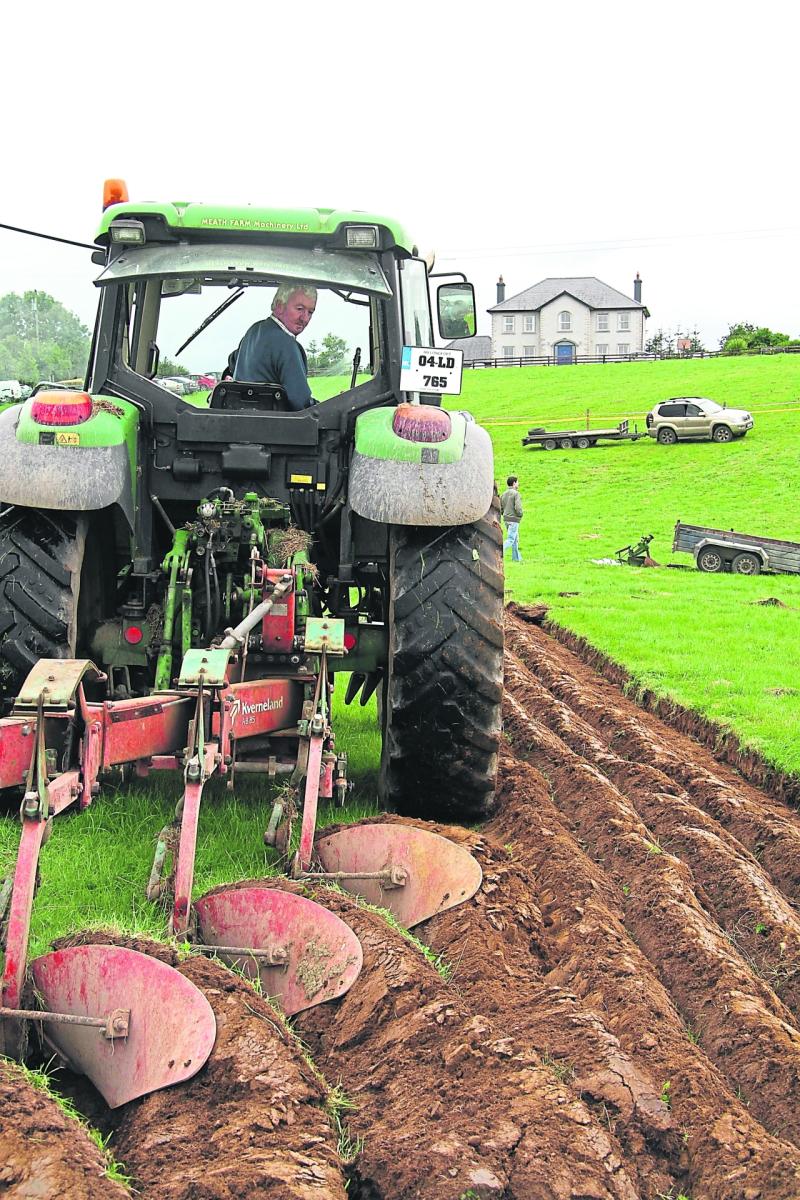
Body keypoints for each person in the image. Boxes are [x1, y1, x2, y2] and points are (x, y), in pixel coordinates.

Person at [229, 282, 318, 410]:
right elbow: (301, 404)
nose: (305, 318)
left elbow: (232, 361)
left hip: (242, 418)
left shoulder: (253, 331)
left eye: (310, 312)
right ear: (279, 306)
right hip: (272, 421)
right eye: (299, 309)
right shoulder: (287, 344)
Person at [500, 475, 523, 562]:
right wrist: (520, 514)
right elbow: (518, 507)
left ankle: (516, 558)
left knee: (515, 539)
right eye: (517, 482)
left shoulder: (503, 494)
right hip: (514, 519)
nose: (518, 484)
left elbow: (501, 507)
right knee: (511, 539)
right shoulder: (516, 494)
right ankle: (500, 551)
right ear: (514, 483)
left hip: (506, 519)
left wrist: (504, 514)